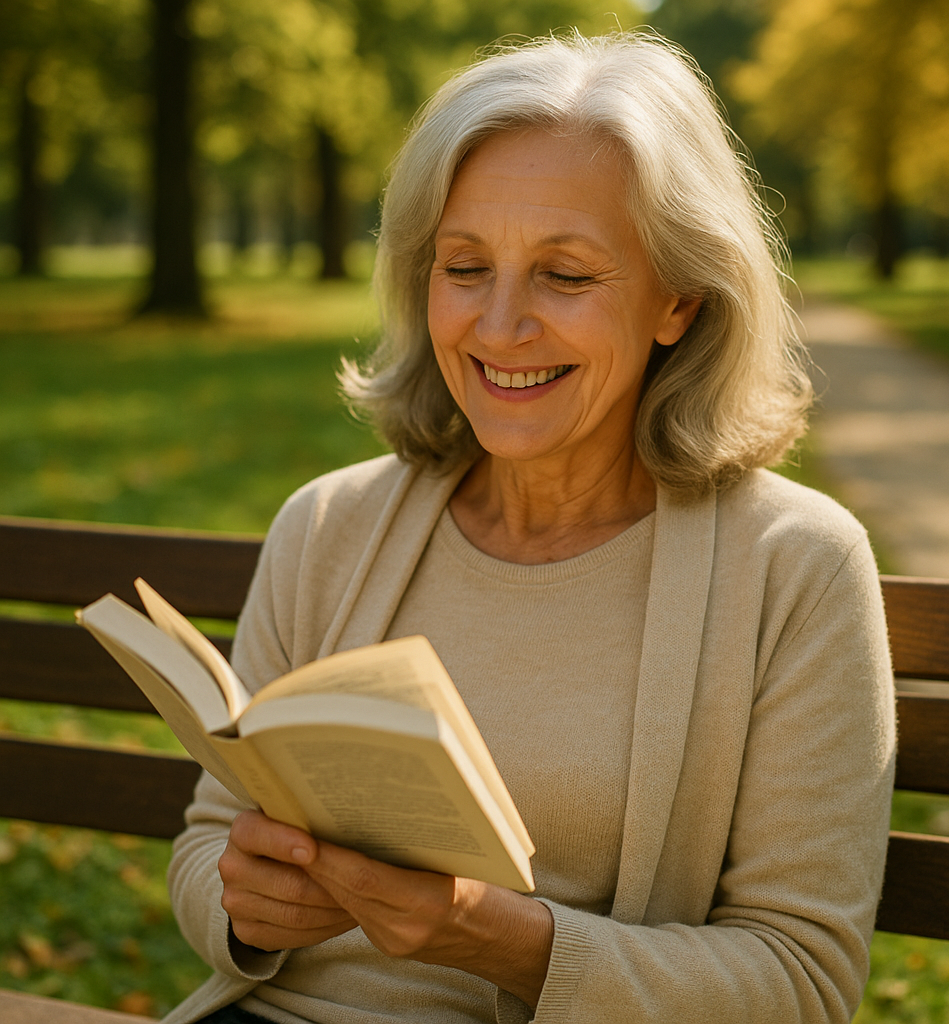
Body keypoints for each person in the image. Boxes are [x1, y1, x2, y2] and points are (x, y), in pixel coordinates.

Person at [163, 31, 895, 1024]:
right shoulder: (327, 525)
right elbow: (210, 846)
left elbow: (801, 983)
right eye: (465, 267)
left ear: (677, 296)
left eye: (564, 275)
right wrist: (246, 904)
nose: (498, 327)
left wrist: (502, 940)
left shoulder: (794, 566)